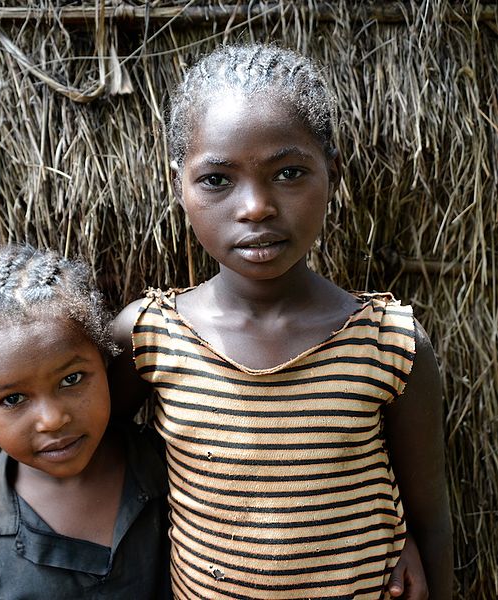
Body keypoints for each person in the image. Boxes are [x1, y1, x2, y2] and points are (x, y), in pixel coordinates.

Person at [110, 43, 452, 599]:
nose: (256, 207)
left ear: (331, 175)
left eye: (289, 172)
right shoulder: (147, 337)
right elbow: (94, 467)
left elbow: (430, 516)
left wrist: (407, 542)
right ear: (180, 187)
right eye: (218, 179)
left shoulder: (390, 344)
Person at [0, 244, 170, 599]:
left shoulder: (170, 469)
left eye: (72, 379)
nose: (52, 420)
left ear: (105, 362)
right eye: (14, 399)